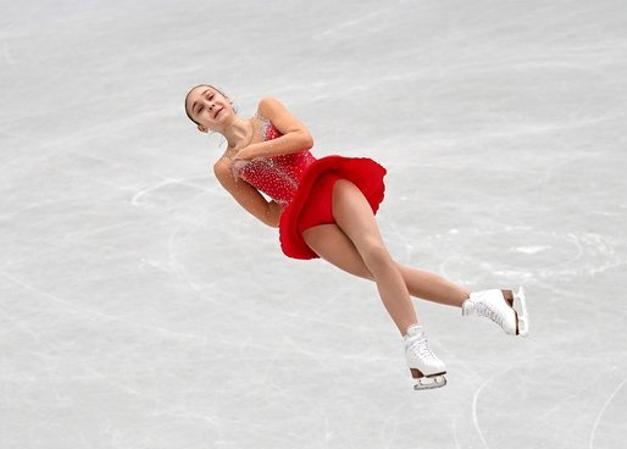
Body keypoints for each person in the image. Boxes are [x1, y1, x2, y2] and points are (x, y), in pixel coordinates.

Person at [183, 85, 529, 390]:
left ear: (226, 97)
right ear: (202, 127)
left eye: (211, 96)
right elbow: (267, 215)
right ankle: (481, 302)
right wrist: (290, 200)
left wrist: (252, 153)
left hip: (330, 186)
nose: (209, 105)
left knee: (376, 254)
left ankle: (416, 346)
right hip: (307, 219)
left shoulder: (266, 110)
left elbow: (303, 138)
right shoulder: (225, 169)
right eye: (200, 108)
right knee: (379, 270)